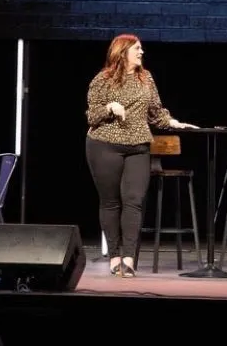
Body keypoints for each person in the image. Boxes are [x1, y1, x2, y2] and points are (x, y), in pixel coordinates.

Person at [85, 33, 197, 278]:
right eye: (137, 48)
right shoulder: (102, 79)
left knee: (134, 200)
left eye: (141, 48)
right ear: (122, 51)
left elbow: (156, 112)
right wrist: (109, 108)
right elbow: (92, 116)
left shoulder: (146, 78)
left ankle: (129, 258)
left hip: (138, 146)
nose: (141, 52)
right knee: (111, 202)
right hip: (104, 145)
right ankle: (114, 255)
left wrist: (174, 123)